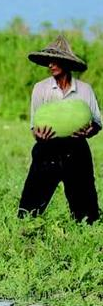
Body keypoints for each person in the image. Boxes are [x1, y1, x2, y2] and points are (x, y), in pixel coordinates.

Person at [18, 35, 100, 223]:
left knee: (87, 214)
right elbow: (34, 125)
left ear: (66, 63)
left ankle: (86, 229)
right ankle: (27, 231)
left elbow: (97, 122)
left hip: (77, 150)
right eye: (49, 61)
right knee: (29, 208)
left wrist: (90, 131)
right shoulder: (40, 89)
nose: (50, 65)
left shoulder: (85, 90)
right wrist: (38, 135)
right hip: (47, 149)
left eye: (55, 61)